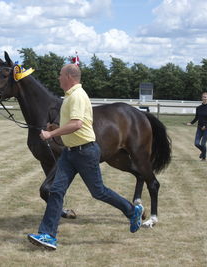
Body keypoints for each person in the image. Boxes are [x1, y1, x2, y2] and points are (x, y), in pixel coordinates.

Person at [27, 64, 143, 250]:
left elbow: (77, 124)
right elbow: (72, 125)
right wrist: (56, 130)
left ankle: (132, 211)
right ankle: (48, 235)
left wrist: (50, 135)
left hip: (85, 152)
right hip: (70, 152)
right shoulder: (70, 96)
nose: (58, 78)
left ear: (69, 77)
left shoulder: (78, 96)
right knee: (56, 190)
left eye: (60, 74)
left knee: (99, 192)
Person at [186, 92, 207, 161]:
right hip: (199, 128)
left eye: (205, 97)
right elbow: (196, 118)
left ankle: (203, 157)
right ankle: (203, 152)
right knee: (196, 143)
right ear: (201, 98)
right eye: (203, 97)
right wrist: (191, 123)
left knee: (203, 143)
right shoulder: (198, 108)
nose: (204, 98)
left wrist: (206, 126)